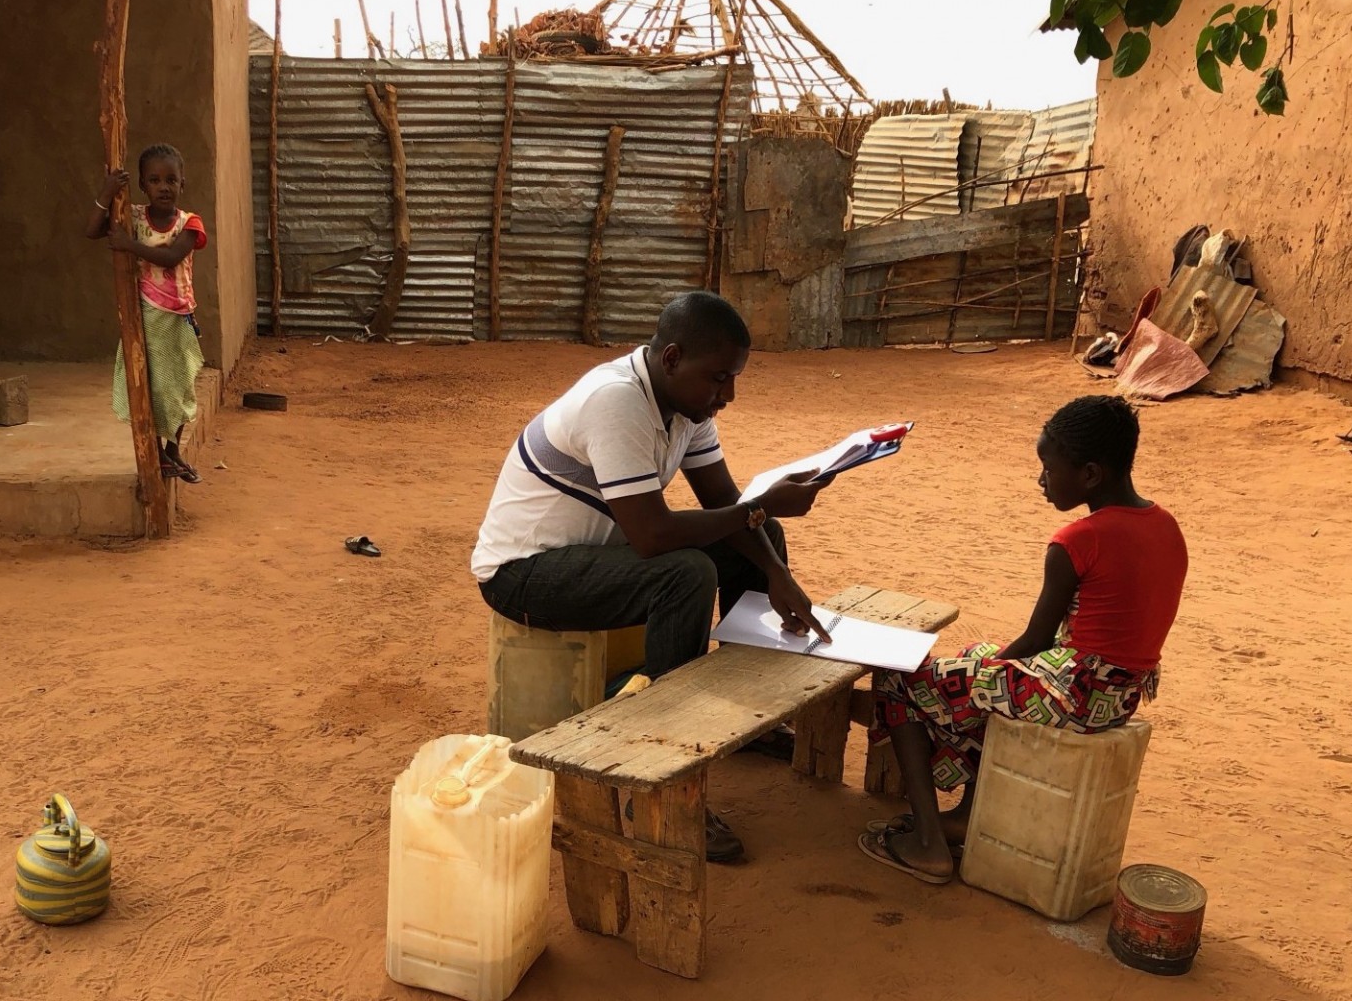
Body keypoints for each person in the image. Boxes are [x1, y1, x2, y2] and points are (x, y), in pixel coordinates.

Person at [472, 290, 834, 864]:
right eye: (719, 379)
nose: (727, 397)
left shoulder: (686, 409)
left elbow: (722, 501)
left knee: (756, 546)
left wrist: (776, 571)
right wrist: (761, 508)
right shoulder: (616, 402)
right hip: (525, 573)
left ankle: (749, 722)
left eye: (733, 379)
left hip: (595, 557)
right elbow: (653, 536)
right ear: (671, 359)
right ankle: (657, 777)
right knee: (685, 572)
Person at [859, 394, 1187, 885]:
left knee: (899, 679)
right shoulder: (1165, 525)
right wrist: (979, 673)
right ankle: (970, 814)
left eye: (1048, 468)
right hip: (1117, 695)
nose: (1041, 480)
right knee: (972, 659)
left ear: (1091, 474)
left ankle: (927, 842)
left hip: (1073, 693)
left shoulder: (1077, 541)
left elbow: (1035, 641)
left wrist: (978, 679)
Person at [87, 144, 205, 484]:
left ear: (183, 183)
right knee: (150, 386)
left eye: (171, 180)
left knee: (180, 387)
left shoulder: (190, 224)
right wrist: (107, 194)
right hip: (144, 318)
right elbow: (92, 230)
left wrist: (129, 245)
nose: (163, 187)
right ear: (142, 185)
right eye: (154, 180)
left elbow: (170, 258)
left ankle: (172, 450)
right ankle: (156, 452)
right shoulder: (132, 218)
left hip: (177, 317)